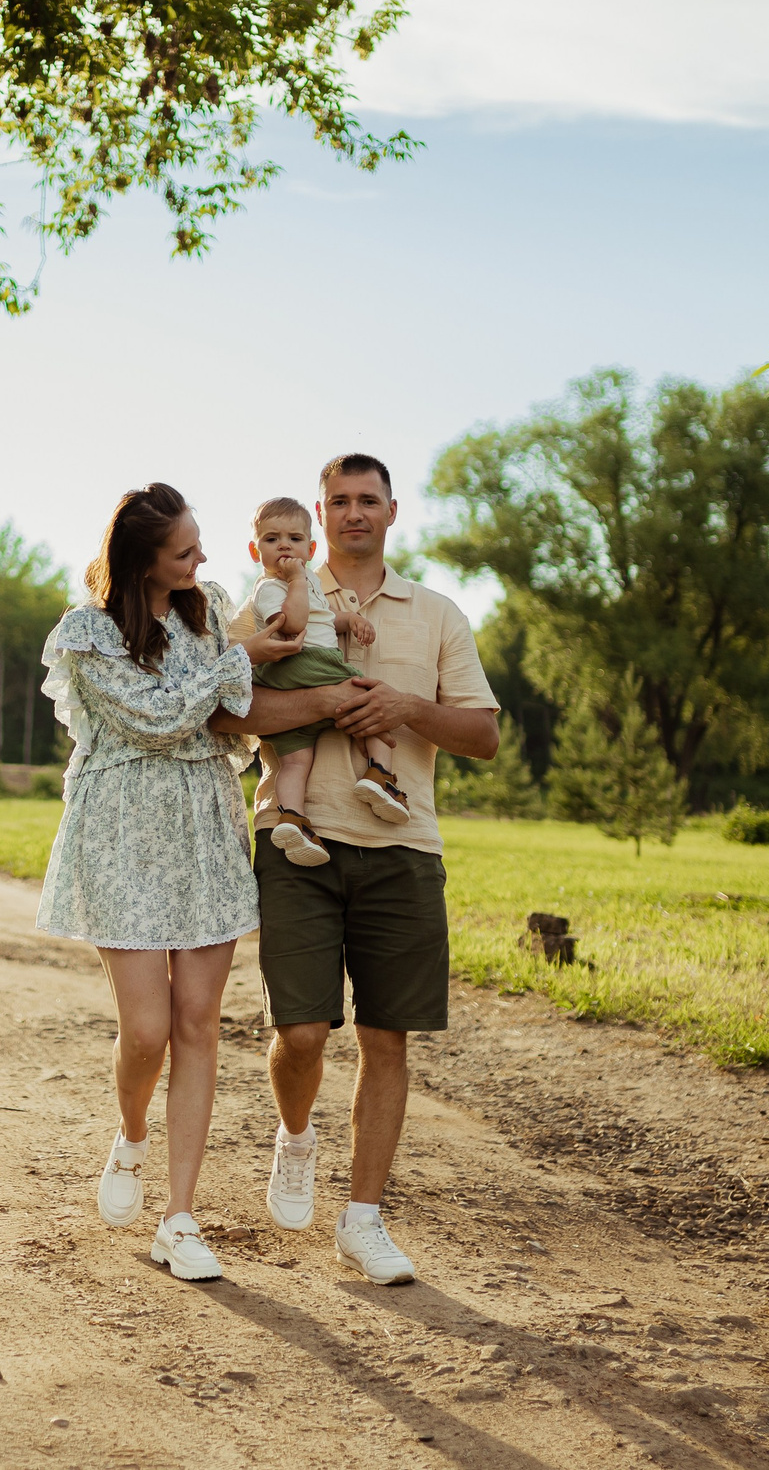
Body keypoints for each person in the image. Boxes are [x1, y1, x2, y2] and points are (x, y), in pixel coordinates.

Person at [214, 453, 501, 1285]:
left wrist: (405, 707)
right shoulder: (275, 596)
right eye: (337, 501)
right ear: (317, 511)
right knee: (300, 1031)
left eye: (366, 500)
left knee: (387, 1036)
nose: (351, 514)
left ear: (392, 511)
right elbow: (233, 709)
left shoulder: (437, 613)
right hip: (296, 838)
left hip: (405, 848)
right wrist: (332, 702)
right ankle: (296, 1139)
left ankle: (363, 1218)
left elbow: (482, 735)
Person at [37, 482, 303, 1282]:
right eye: (185, 551)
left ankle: (179, 1215)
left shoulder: (211, 607)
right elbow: (155, 718)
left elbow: (234, 705)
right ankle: (131, 1135)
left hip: (203, 824)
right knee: (146, 1030)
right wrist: (237, 660)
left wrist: (279, 622)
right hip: (120, 832)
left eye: (200, 545)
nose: (201, 560)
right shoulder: (86, 633)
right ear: (139, 561)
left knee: (198, 1023)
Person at [243, 496, 404, 869]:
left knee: (296, 761)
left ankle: (293, 818)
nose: (284, 546)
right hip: (303, 665)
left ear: (311, 548)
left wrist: (347, 621)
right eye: (271, 539)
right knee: (373, 701)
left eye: (295, 539)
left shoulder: (308, 583)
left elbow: (321, 619)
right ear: (255, 550)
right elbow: (295, 624)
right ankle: (380, 774)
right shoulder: (269, 587)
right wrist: (298, 579)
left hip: (290, 683)